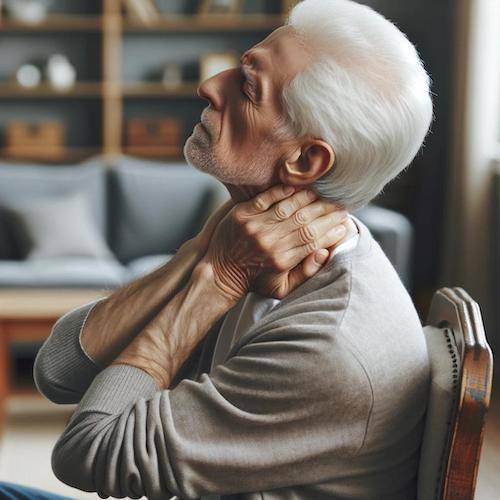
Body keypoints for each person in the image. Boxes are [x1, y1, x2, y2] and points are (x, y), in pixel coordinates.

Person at [22, 0, 433, 498]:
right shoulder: (259, 242)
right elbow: (58, 372)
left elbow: (90, 452)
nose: (207, 86)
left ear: (305, 159)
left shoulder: (329, 342)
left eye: (246, 88)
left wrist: (218, 280)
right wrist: (204, 251)